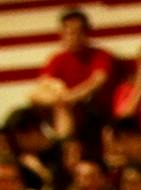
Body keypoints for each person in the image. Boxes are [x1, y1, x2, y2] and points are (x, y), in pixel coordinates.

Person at [30, 10, 117, 143]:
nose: (72, 36)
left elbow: (97, 82)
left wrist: (69, 97)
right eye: (68, 32)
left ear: (86, 33)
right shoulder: (58, 59)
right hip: (65, 105)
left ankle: (64, 144)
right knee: (44, 100)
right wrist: (60, 97)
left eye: (77, 32)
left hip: (94, 108)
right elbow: (43, 85)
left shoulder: (100, 55)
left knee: (63, 106)